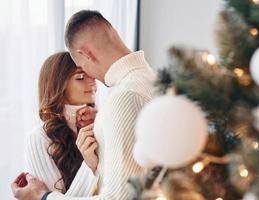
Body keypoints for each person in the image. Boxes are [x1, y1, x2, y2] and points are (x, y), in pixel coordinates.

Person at [12, 10, 156, 200]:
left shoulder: (125, 97)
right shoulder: (155, 81)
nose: (93, 80)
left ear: (86, 54)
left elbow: (120, 197)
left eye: (83, 68)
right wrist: (94, 166)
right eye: (80, 76)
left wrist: (44, 197)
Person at [22, 52, 99, 197]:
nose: (92, 81)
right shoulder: (39, 138)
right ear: (58, 85)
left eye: (91, 74)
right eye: (81, 77)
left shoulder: (99, 123)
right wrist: (89, 167)